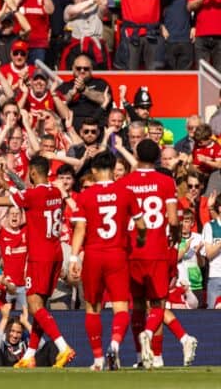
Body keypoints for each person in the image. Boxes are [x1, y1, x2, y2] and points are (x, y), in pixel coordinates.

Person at [0, 156, 76, 369]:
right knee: (39, 307)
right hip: (56, 254)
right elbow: (24, 197)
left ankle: (63, 346)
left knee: (35, 306)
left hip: (40, 256)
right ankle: (29, 355)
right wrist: (4, 183)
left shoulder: (33, 195)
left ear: (34, 173)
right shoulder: (56, 192)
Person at [69, 151, 146, 371]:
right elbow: (141, 225)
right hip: (117, 254)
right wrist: (141, 239)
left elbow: (80, 229)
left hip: (93, 254)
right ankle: (115, 343)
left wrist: (74, 257)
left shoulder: (85, 196)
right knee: (121, 306)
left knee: (93, 307)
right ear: (113, 169)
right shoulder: (126, 192)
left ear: (93, 171)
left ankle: (98, 359)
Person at [118, 139, 180, 369]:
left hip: (132, 250)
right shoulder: (166, 181)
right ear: (156, 157)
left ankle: (138, 357)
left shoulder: (124, 182)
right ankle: (157, 355)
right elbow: (173, 219)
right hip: (156, 249)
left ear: (136, 153)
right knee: (158, 303)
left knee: (137, 305)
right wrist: (175, 236)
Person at [0, 303, 57, 367]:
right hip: (8, 369)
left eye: (18, 332)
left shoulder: (26, 338)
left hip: (27, 367)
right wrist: (4, 318)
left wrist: (26, 323)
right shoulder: (2, 339)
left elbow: (42, 346)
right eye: (12, 331)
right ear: (6, 330)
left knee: (51, 344)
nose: (15, 336)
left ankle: (57, 375)